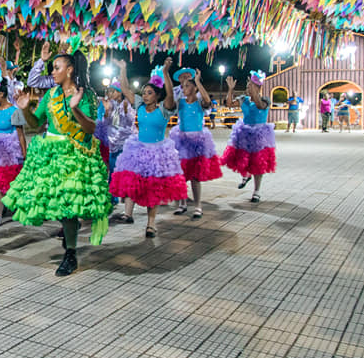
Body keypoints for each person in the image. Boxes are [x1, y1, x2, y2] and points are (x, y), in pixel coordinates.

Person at [3, 50, 112, 276]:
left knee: (69, 207)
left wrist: (74, 108)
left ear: (69, 70)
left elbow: (90, 128)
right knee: (58, 206)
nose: (52, 72)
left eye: (56, 68)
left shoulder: (85, 95)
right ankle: (70, 235)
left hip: (75, 156)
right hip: (51, 155)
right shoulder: (51, 94)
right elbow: (35, 123)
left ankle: (70, 253)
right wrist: (25, 109)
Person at [110, 59, 187, 238]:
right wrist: (123, 69)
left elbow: (170, 94)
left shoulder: (164, 109)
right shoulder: (139, 106)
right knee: (132, 181)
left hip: (157, 152)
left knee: (153, 189)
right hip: (138, 150)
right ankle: (128, 214)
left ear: (157, 96)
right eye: (144, 93)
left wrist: (166, 73)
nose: (145, 96)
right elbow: (126, 89)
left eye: (149, 93)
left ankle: (151, 224)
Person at [168, 69, 221, 219]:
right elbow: (169, 102)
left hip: (197, 141)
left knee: (195, 177)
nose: (183, 88)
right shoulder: (180, 102)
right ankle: (182, 203)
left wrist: (197, 81)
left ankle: (198, 205)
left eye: (187, 86)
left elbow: (208, 101)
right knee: (181, 174)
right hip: (182, 140)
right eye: (183, 86)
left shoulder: (199, 102)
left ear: (195, 88)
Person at [221, 71, 276, 202]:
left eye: (250, 85)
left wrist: (255, 91)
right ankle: (246, 175)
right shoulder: (243, 99)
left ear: (258, 87)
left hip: (259, 134)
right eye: (247, 85)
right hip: (245, 132)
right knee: (243, 157)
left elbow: (259, 105)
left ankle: (256, 191)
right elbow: (229, 104)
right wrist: (230, 89)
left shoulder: (265, 100)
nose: (248, 87)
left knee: (258, 161)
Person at [0, 72, 27, 228]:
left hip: (9, 153)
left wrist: (24, 154)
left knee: (2, 184)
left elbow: (21, 134)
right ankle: (5, 203)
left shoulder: (14, 111)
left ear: (1, 94)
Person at [104, 80, 138, 223]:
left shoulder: (127, 103)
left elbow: (130, 121)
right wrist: (106, 112)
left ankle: (128, 209)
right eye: (109, 91)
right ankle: (113, 200)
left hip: (126, 144)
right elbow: (106, 123)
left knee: (126, 175)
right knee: (113, 173)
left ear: (120, 92)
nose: (111, 94)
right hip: (113, 144)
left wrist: (125, 111)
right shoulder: (110, 105)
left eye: (113, 91)